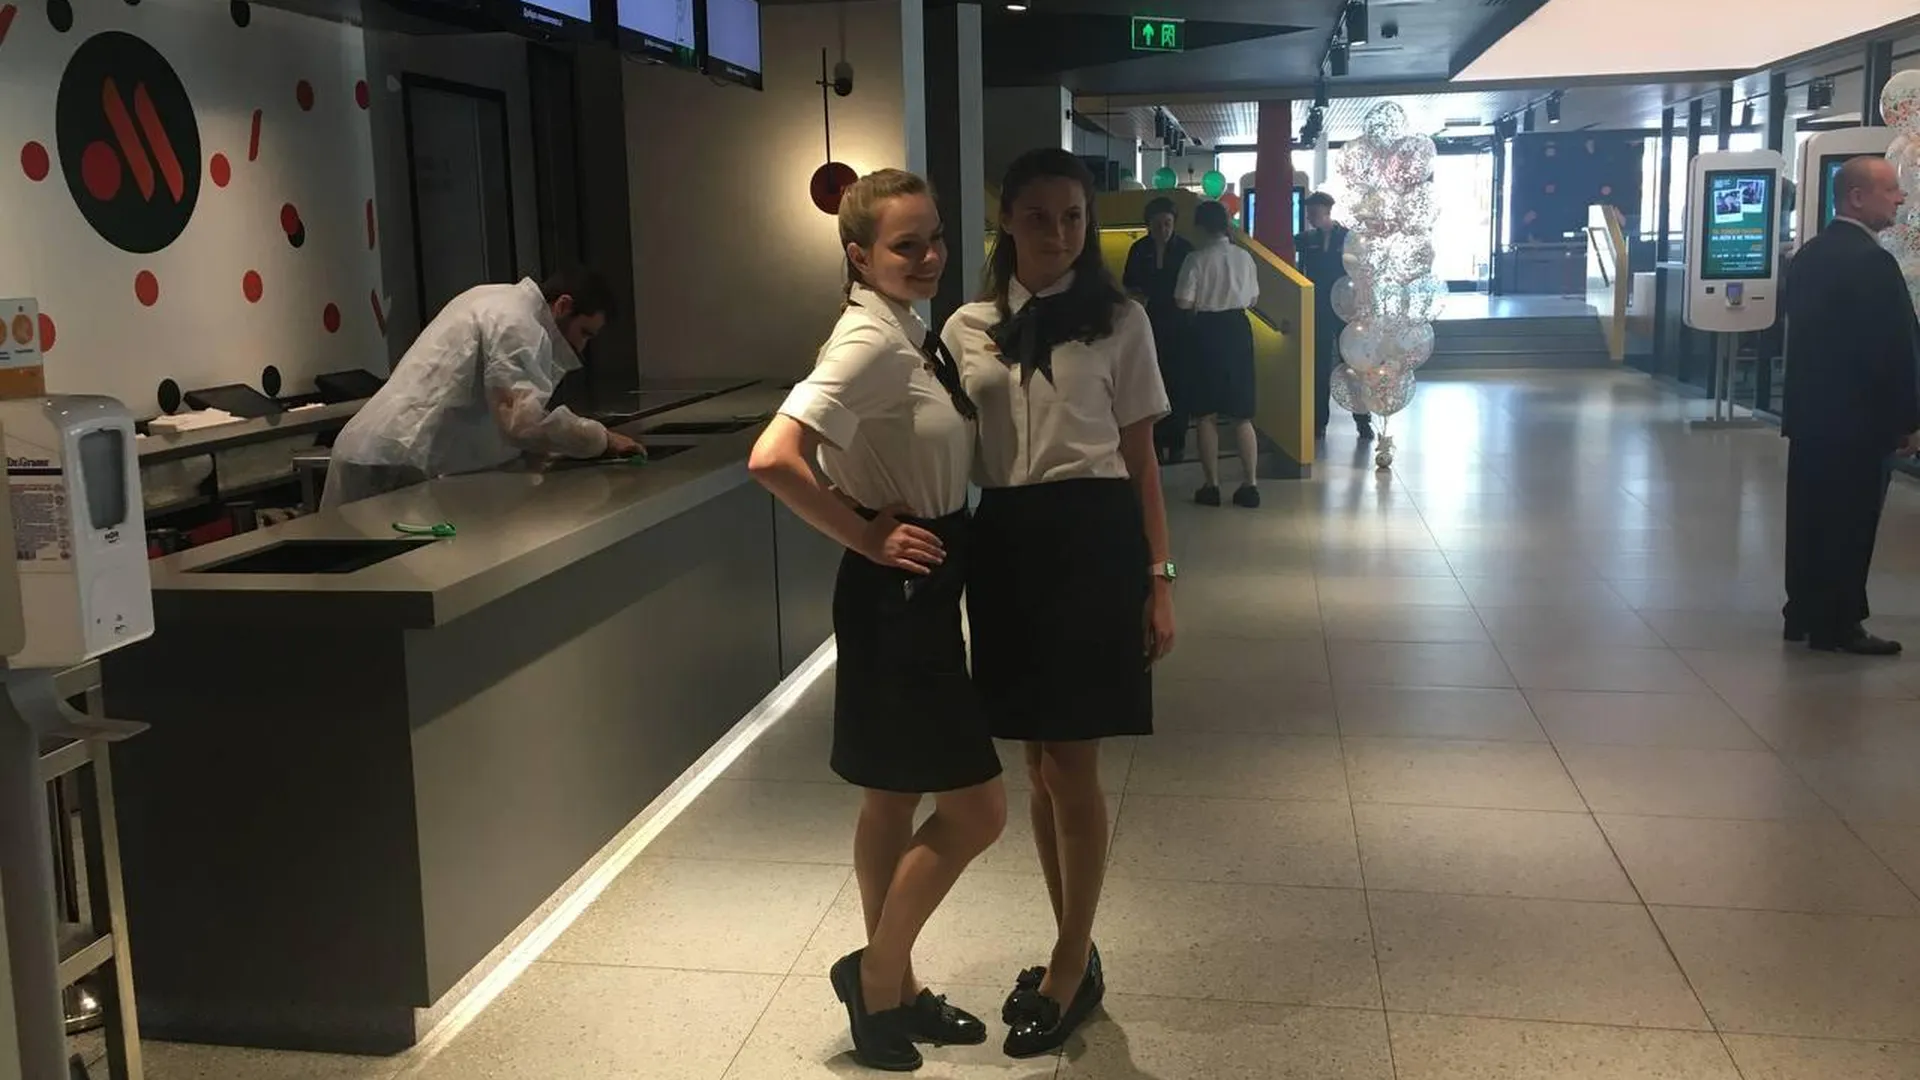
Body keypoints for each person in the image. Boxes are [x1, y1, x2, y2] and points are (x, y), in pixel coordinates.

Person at [747, 169, 1005, 1072]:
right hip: (900, 590)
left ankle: (893, 996)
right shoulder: (869, 340)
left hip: (916, 582)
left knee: (892, 796)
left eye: (936, 237)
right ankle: (876, 973)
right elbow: (774, 457)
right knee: (978, 810)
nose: (930, 255)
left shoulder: (906, 329)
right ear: (859, 256)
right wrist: (862, 532)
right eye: (906, 245)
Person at [942, 148, 1176, 1059]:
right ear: (1006, 219)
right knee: (1037, 763)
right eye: (1038, 216)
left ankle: (1072, 963)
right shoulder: (966, 327)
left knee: (1071, 763)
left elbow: (1143, 460)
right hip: (1004, 539)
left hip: (1092, 539)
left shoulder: (1121, 319)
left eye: (1073, 216)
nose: (1058, 232)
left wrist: (1159, 579)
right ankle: (1070, 944)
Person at [322, 268, 641, 508]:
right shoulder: (517, 322)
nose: (580, 347)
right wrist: (600, 439)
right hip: (392, 461)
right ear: (563, 305)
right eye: (584, 333)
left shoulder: (498, 299)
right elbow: (521, 423)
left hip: (388, 454)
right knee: (386, 576)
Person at [1781, 156, 1920, 656]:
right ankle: (1839, 623)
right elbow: (1893, 350)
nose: (1901, 198)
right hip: (1859, 423)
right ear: (1857, 197)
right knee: (1851, 522)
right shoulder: (1872, 262)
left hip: (1812, 418)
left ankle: (1802, 611)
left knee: (1810, 519)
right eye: (1891, 190)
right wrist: (1908, 418)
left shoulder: (1810, 256)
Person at [1176, 199, 1263, 508]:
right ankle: (1250, 485)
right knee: (1242, 414)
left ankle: (1211, 486)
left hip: (1206, 332)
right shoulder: (1244, 257)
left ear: (1200, 226)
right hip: (1238, 330)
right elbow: (1252, 299)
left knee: (1205, 413)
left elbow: (1183, 301)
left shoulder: (1195, 259)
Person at [1294, 191, 1374, 441]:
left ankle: (1363, 421)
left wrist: (1362, 307)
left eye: (1314, 212)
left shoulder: (1349, 238)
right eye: (1308, 213)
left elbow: (1362, 272)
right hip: (1316, 310)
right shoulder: (1306, 240)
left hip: (1345, 311)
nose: (1310, 217)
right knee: (1318, 368)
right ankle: (1318, 423)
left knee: (1351, 365)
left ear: (1327, 212)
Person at [1122, 197, 1195, 465]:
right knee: (1152, 381)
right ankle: (1155, 440)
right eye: (1157, 224)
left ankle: (1177, 441)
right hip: (1148, 320)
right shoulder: (1139, 249)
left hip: (1179, 323)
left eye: (1167, 223)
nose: (1163, 229)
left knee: (1178, 383)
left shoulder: (1185, 249)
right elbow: (1129, 283)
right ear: (1148, 225)